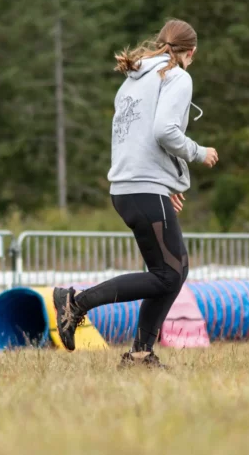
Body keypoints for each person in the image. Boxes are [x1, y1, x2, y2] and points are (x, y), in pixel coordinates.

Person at [53, 19, 219, 369]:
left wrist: (167, 183)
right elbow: (164, 131)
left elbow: (137, 138)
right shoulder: (178, 76)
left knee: (173, 270)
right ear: (192, 52)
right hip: (143, 186)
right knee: (168, 274)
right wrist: (198, 152)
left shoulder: (135, 79)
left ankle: (142, 354)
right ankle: (76, 302)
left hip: (128, 188)